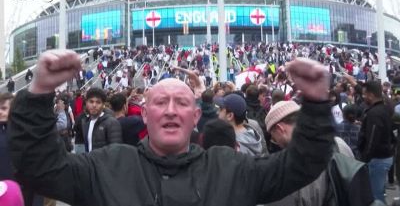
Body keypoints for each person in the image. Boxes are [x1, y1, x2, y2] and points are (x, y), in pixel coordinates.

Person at [9, 50, 334, 206]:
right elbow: (39, 165)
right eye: (160, 102)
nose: (170, 110)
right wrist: (37, 93)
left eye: (180, 102)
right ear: (145, 116)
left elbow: (302, 163)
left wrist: (318, 104)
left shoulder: (231, 168)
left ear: (195, 118)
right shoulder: (106, 166)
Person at [358, 81, 394, 204]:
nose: (363, 97)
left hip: (377, 159)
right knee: (378, 193)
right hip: (383, 157)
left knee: (375, 195)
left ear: (371, 95)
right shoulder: (384, 108)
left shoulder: (374, 113)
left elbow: (372, 138)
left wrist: (365, 158)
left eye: (364, 94)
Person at [80, 87, 123, 152]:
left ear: (103, 104)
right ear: (86, 103)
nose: (94, 105)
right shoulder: (85, 122)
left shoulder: (111, 122)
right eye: (91, 101)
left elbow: (116, 151)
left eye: (98, 102)